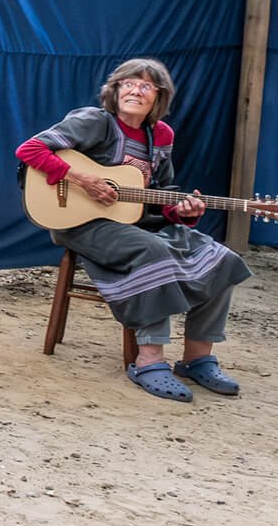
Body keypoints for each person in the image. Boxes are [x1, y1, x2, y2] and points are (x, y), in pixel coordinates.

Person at [16, 59, 251, 402]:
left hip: (137, 221)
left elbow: (161, 195)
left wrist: (184, 211)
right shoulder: (95, 121)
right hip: (82, 223)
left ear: (159, 97)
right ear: (115, 90)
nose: (135, 91)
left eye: (145, 86)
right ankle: (149, 360)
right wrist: (82, 178)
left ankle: (197, 359)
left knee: (220, 257)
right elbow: (30, 150)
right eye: (128, 83)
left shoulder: (162, 136)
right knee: (153, 252)